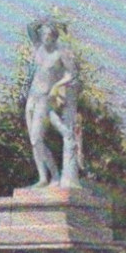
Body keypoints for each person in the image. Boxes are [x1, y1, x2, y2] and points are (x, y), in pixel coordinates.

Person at [23, 19, 81, 188]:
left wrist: (57, 86)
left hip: (45, 98)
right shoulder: (38, 48)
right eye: (43, 34)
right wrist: (47, 20)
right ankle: (43, 177)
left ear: (54, 37)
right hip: (32, 97)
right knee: (34, 141)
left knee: (36, 138)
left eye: (48, 34)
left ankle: (54, 176)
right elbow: (30, 27)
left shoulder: (60, 53)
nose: (45, 37)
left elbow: (71, 74)